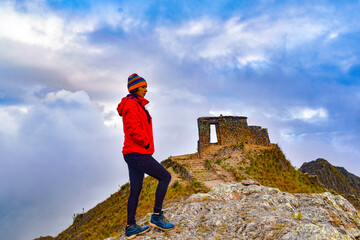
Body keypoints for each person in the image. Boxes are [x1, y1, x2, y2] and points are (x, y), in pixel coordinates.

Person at [117, 73, 175, 239]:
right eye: (143, 87)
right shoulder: (131, 105)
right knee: (165, 177)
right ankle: (156, 216)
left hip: (132, 153)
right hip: (137, 152)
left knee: (135, 189)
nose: (146, 90)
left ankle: (130, 226)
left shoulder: (134, 103)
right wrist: (146, 143)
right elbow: (133, 129)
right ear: (135, 88)